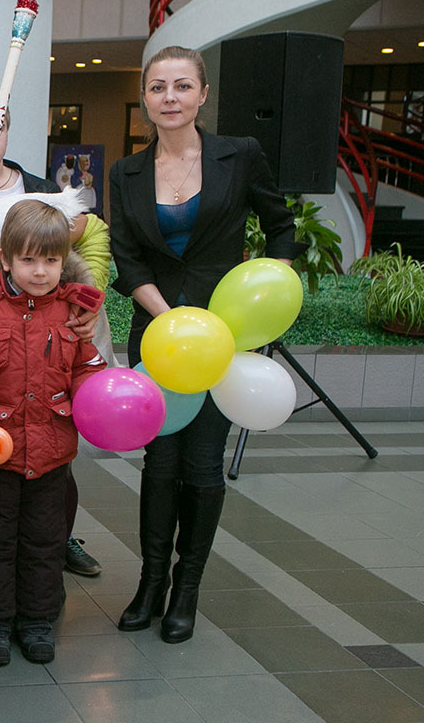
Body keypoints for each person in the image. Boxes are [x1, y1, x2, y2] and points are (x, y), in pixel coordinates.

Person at [109, 45, 304, 644]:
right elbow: (127, 255)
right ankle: (150, 584)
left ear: (202, 94)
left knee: (201, 466)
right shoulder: (126, 172)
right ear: (145, 97)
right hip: (160, 336)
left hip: (227, 340)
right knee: (159, 465)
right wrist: (170, 320)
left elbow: (281, 225)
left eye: (181, 86)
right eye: (158, 87)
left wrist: (268, 283)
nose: (169, 98)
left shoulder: (238, 156)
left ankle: (186, 589)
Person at [0, 200, 107, 667]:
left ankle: (36, 620)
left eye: (50, 261)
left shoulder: (73, 312)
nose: (40, 271)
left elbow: (86, 367)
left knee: (45, 539)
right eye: (28, 260)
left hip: (52, 450)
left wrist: (99, 395)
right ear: (6, 259)